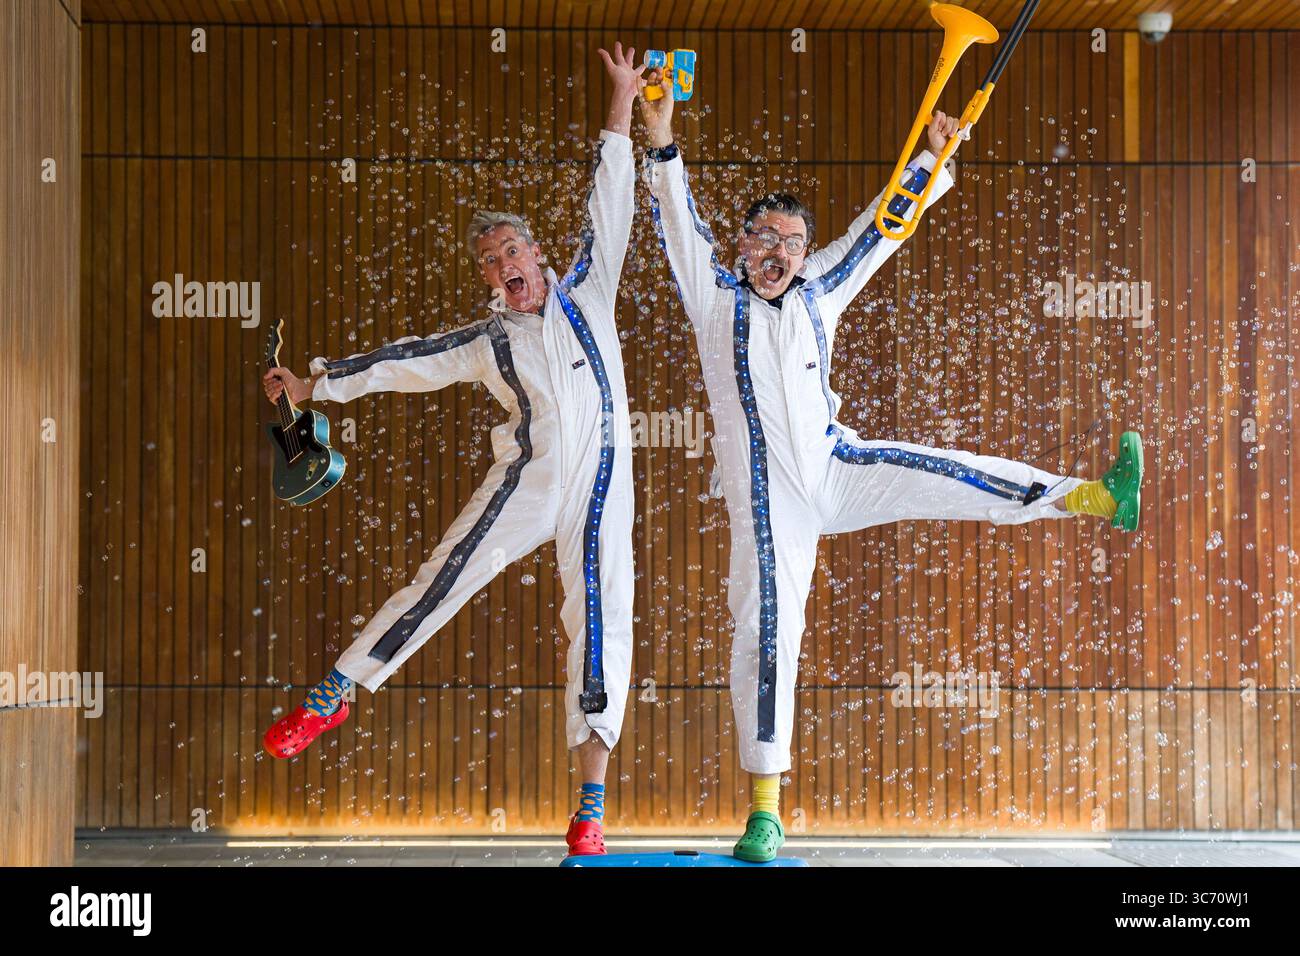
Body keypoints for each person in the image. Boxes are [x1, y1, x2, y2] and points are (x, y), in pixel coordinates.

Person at [638, 68, 1143, 863]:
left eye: (793, 242)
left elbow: (887, 223)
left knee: (953, 469)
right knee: (769, 633)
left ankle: (1090, 497)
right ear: (740, 244)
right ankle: (766, 810)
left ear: (806, 254)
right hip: (770, 507)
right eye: (764, 238)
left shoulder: (821, 287)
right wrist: (660, 131)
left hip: (840, 466)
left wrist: (935, 156)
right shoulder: (712, 293)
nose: (779, 252)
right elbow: (673, 212)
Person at [260, 42, 647, 857]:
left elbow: (613, 190)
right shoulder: (488, 340)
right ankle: (336, 691)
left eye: (512, 249)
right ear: (487, 281)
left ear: (538, 255)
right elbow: (402, 362)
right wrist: (314, 384)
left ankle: (589, 810)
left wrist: (623, 98)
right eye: (489, 260)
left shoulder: (591, 288)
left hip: (605, 490)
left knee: (603, 634)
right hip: (530, 483)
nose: (503, 263)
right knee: (440, 580)